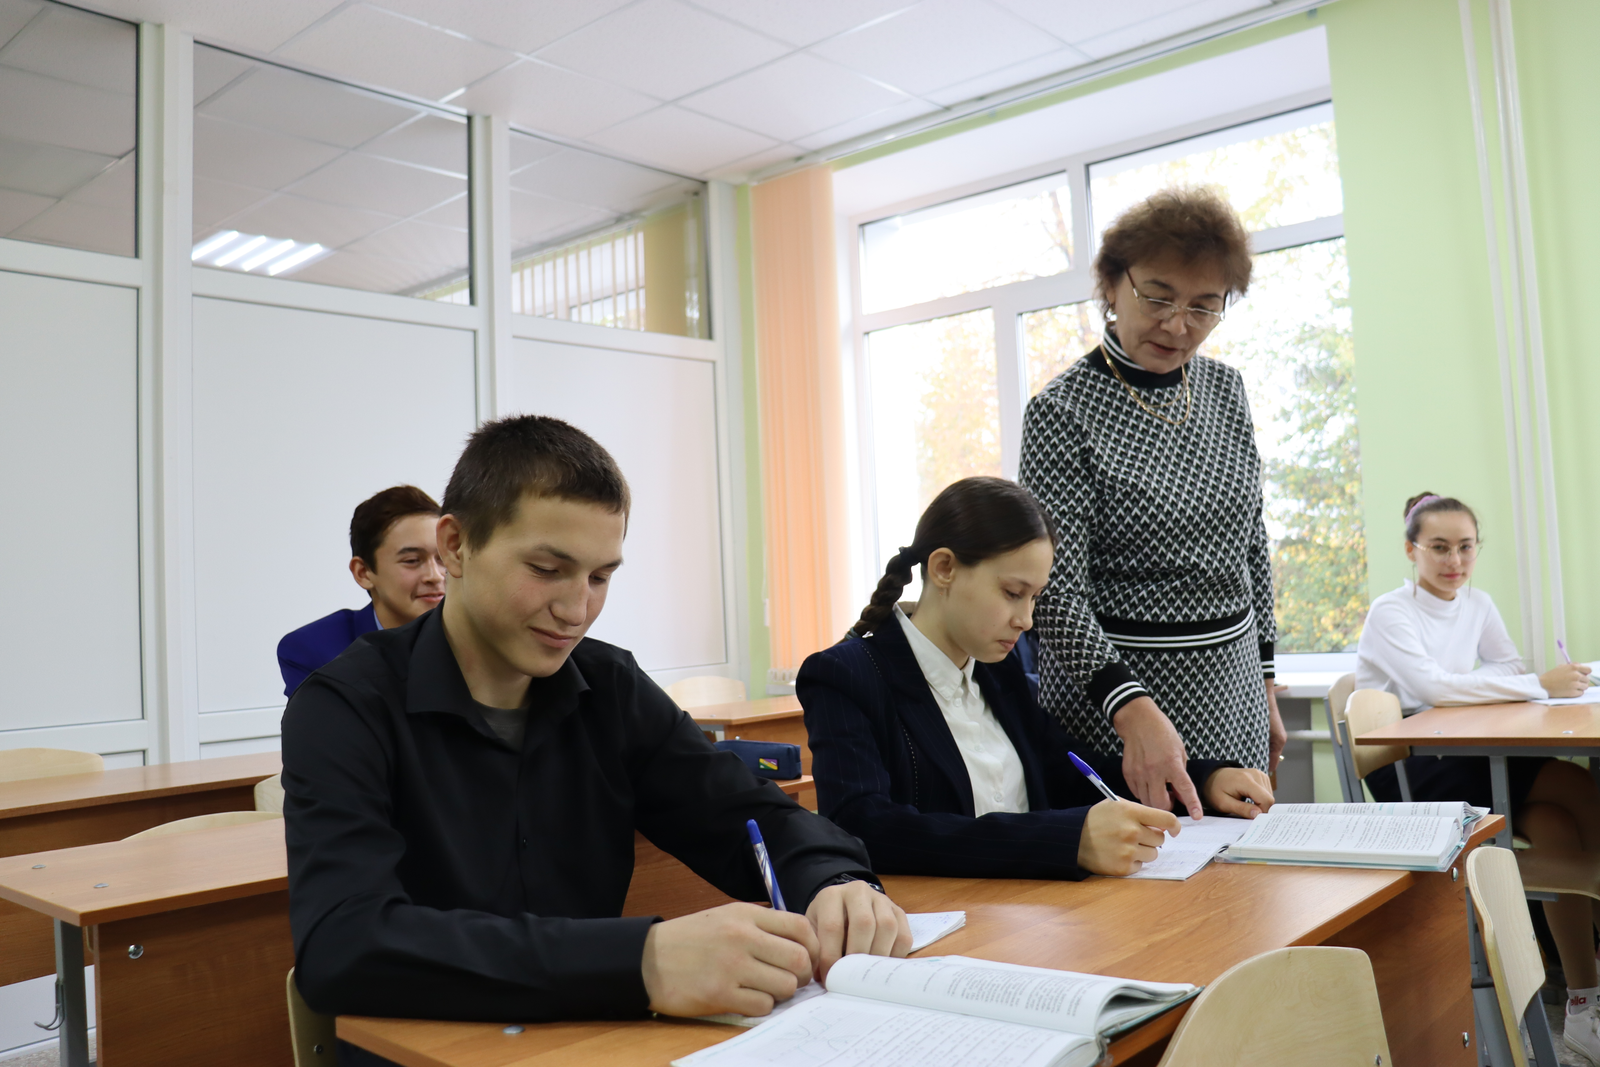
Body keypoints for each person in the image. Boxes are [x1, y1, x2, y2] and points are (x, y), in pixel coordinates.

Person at [282, 415, 909, 1063]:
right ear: (456, 544)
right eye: (548, 568)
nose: (576, 608)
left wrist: (835, 880)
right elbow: (345, 943)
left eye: (600, 576)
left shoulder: (608, 684)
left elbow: (742, 812)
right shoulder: (341, 705)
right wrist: (640, 961)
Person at [799, 477, 1274, 880]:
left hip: (1035, 913)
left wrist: (1200, 780)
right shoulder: (846, 674)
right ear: (944, 568)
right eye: (1012, 593)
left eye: (1035, 598)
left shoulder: (997, 671)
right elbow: (866, 828)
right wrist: (1064, 840)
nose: (1026, 620)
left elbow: (1069, 774)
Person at [1019, 187, 1284, 820]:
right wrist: (1130, 708)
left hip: (1233, 688)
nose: (1177, 324)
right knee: (1145, 894)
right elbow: (1053, 592)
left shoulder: (1225, 391)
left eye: (1204, 306)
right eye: (1158, 296)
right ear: (1112, 285)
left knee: (1246, 893)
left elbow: (1250, 544)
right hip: (1120, 702)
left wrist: (1267, 682)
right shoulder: (1063, 411)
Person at [1356, 491, 1600, 1060]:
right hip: (1412, 771)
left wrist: (1508, 682)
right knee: (1573, 785)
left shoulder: (1477, 602)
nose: (1454, 562)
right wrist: (1536, 685)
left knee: (1563, 817)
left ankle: (1586, 1004)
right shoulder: (1392, 611)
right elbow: (1435, 689)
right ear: (1411, 549)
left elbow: (1504, 666)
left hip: (1458, 749)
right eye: (1439, 547)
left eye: (1466, 547)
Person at [275, 485, 445, 696]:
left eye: (443, 558)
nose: (436, 576)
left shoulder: (481, 637)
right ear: (363, 572)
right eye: (412, 561)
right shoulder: (316, 651)